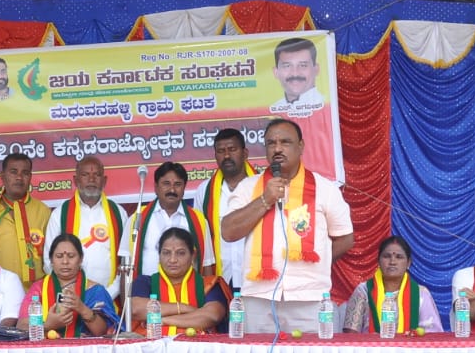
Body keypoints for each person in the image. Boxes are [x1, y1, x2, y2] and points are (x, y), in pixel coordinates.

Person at [220, 118, 354, 333]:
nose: (278, 148)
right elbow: (228, 231)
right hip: (258, 298)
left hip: (309, 297)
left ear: (300, 146)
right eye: (271, 143)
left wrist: (318, 259)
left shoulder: (325, 189)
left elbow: (345, 238)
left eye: (285, 142)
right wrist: (265, 199)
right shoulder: (248, 187)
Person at [45, 156, 127, 299]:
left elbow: (127, 261)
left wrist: (108, 294)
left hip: (111, 298)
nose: (91, 179)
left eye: (97, 175)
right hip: (69, 297)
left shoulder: (119, 213)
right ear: (75, 180)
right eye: (85, 175)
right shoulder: (60, 214)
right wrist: (70, 292)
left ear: (105, 180)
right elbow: (49, 260)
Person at [120, 161, 215, 280]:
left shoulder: (199, 221)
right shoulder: (137, 218)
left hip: (187, 295)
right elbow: (125, 267)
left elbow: (207, 266)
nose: (172, 189)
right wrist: (126, 299)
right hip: (146, 295)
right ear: (156, 187)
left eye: (178, 184)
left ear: (184, 188)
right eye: (166, 184)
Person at [129, 228, 229, 335]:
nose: (172, 260)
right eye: (166, 253)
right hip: (154, 349)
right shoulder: (145, 282)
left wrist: (163, 320)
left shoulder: (208, 284)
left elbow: (212, 316)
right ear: (159, 256)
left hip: (197, 349)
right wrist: (183, 307)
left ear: (193, 255)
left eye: (180, 253)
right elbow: (136, 309)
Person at [193, 128, 256, 292]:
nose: (226, 156)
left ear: (245, 153)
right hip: (219, 279)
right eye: (221, 151)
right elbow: (201, 238)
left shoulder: (261, 186)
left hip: (256, 278)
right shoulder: (204, 191)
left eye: (232, 149)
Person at [0, 152, 51, 288]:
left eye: (25, 173)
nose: (19, 178)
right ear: (2, 176)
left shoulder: (43, 211)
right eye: (13, 172)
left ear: (30, 177)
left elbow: (52, 254)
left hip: (35, 291)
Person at [20, 234, 118, 338]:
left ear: (80, 259)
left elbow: (105, 332)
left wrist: (82, 309)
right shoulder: (39, 289)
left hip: (84, 352)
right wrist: (48, 325)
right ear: (51, 260)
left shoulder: (95, 291)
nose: (65, 262)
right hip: (46, 352)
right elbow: (21, 326)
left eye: (71, 256)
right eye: (59, 256)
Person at [343, 235, 443, 334]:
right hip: (370, 349)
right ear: (378, 261)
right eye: (387, 256)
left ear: (408, 263)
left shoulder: (421, 294)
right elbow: (350, 334)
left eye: (399, 257)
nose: (392, 261)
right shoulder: (364, 291)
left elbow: (433, 334)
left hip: (409, 350)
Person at [269, 37, 325, 117]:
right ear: (276, 72)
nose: (295, 73)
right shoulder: (271, 111)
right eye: (287, 66)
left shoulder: (326, 106)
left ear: (316, 69)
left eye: (303, 65)